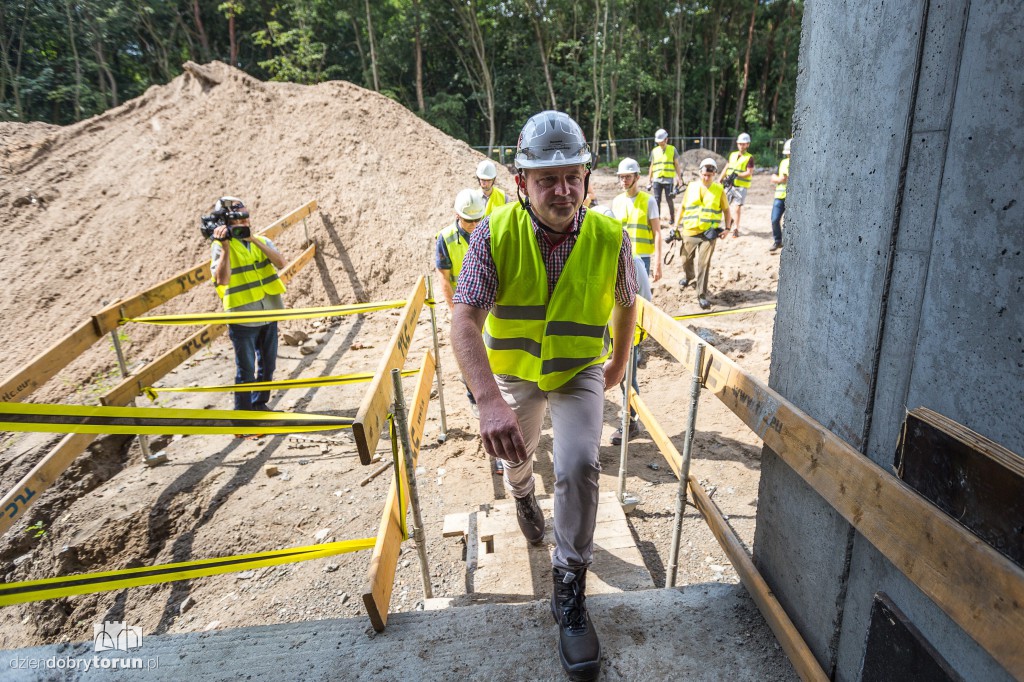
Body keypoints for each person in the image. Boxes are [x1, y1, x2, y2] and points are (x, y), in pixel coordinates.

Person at [452, 110, 637, 682]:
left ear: (587, 177)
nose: (561, 190)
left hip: (578, 369)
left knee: (581, 462)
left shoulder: (611, 236)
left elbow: (628, 300)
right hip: (514, 374)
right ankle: (523, 492)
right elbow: (462, 321)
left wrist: (618, 363)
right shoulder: (494, 232)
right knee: (516, 452)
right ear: (521, 183)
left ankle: (570, 590)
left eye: (571, 176)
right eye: (546, 178)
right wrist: (487, 399)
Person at [209, 197, 288, 414]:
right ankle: (244, 419)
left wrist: (255, 240)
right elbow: (222, 279)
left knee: (268, 367)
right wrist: (225, 248)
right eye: (237, 220)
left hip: (268, 311)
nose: (243, 223)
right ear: (226, 223)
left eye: (245, 218)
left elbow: (281, 263)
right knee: (245, 370)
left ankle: (259, 405)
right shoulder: (220, 247)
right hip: (243, 316)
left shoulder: (260, 240)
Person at [611, 157, 661, 445]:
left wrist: (656, 264)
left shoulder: (648, 201)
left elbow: (656, 231)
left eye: (628, 176)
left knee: (627, 367)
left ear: (637, 177)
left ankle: (629, 420)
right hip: (621, 264)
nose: (624, 180)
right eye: (621, 176)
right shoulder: (616, 203)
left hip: (638, 262)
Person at [679, 158, 732, 310]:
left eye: (710, 175)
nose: (706, 178)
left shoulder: (719, 189)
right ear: (700, 173)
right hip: (690, 230)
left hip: (709, 234)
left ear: (715, 174)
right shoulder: (691, 186)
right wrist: (675, 226)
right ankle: (689, 276)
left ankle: (701, 295)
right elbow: (682, 207)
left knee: (704, 264)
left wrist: (727, 228)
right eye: (704, 175)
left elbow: (727, 210)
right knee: (685, 259)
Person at [719, 132, 755, 238]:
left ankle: (736, 229)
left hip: (741, 186)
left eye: (743, 144)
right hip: (729, 185)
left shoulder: (749, 157)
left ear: (748, 144)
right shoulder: (733, 155)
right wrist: (720, 179)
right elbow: (727, 166)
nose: (741, 146)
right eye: (740, 143)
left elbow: (749, 172)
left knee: (737, 208)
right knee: (725, 206)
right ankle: (729, 223)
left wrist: (737, 175)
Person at [646, 128, 683, 227]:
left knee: (669, 199)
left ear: (666, 139)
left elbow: (676, 165)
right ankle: (656, 220)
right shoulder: (654, 151)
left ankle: (672, 218)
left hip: (668, 180)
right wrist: (649, 179)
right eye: (658, 142)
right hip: (657, 179)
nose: (660, 143)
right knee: (656, 200)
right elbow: (652, 166)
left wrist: (679, 179)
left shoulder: (672, 149)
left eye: (661, 141)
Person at [769, 138, 792, 253]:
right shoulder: (783, 163)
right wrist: (780, 179)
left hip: (792, 198)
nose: (789, 156)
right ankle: (778, 241)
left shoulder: (800, 163)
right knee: (774, 220)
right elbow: (773, 178)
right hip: (779, 196)